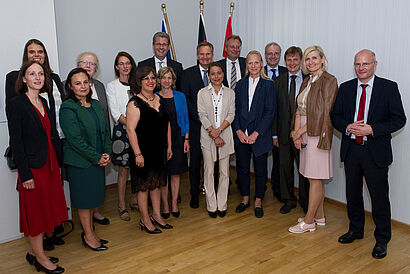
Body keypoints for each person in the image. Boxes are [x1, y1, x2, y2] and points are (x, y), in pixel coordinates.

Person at [331, 49, 406, 259]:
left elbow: (399, 120)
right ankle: (356, 229)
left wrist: (372, 129)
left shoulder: (388, 88)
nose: (361, 68)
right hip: (352, 149)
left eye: (365, 64)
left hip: (375, 152)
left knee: (379, 197)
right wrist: (348, 127)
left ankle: (382, 239)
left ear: (375, 64)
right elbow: (334, 116)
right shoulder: (345, 88)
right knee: (352, 194)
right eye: (357, 64)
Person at [5, 38, 65, 251]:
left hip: (49, 162)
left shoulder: (45, 101)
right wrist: (24, 174)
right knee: (36, 212)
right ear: (23, 78)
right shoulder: (16, 103)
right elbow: (17, 140)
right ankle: (38, 255)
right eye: (32, 74)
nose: (37, 77)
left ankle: (39, 250)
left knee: (48, 206)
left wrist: (57, 160)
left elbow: (52, 133)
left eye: (40, 74)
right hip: (32, 165)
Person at [60, 68, 112, 251]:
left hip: (98, 160)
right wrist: (97, 157)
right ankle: (88, 236)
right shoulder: (67, 108)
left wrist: (107, 153)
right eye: (77, 83)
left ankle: (90, 232)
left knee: (93, 200)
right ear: (70, 86)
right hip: (81, 163)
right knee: (84, 201)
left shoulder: (96, 104)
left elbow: (104, 131)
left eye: (85, 82)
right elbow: (75, 141)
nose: (82, 86)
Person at [288, 46, 338, 233]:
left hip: (318, 133)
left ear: (323, 59)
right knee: (312, 178)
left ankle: (309, 221)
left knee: (315, 179)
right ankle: (320, 216)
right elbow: (299, 109)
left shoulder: (329, 81)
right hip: (304, 131)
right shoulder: (307, 81)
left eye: (314, 58)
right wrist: (295, 132)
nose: (311, 62)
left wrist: (299, 131)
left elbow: (322, 113)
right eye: (307, 59)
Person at [126, 66, 173, 234]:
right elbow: (130, 130)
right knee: (143, 187)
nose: (151, 81)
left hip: (159, 150)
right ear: (139, 82)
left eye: (153, 78)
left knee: (157, 184)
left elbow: (166, 123)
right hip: (142, 153)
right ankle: (145, 219)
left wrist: (169, 146)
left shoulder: (159, 99)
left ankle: (157, 215)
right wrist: (138, 153)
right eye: (146, 78)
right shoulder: (134, 103)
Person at [232, 50, 276, 218]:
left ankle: (258, 200)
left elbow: (269, 112)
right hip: (242, 136)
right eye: (250, 63)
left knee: (260, 170)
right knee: (242, 169)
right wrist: (238, 131)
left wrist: (256, 133)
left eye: (256, 62)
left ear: (262, 64)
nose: (253, 66)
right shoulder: (240, 84)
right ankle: (245, 199)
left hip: (260, 136)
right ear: (246, 65)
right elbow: (234, 110)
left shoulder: (269, 84)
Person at [272, 46, 310, 214]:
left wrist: (301, 131)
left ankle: (306, 200)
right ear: (285, 61)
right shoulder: (278, 81)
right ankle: (288, 199)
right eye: (289, 60)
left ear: (300, 60)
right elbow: (274, 111)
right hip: (282, 133)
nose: (292, 63)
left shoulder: (310, 80)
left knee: (304, 169)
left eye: (295, 59)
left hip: (303, 133)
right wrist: (274, 134)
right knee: (284, 167)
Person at [76, 52, 111, 225]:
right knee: (85, 183)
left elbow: (105, 115)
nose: (89, 66)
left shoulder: (99, 86)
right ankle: (86, 219)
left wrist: (107, 144)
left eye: (93, 64)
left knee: (97, 180)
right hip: (82, 143)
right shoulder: (70, 86)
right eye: (85, 63)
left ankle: (96, 211)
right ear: (78, 64)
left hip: (100, 140)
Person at [197, 62, 235, 218]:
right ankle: (211, 205)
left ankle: (222, 204)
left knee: (224, 172)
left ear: (223, 74)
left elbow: (231, 115)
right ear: (209, 75)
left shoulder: (231, 93)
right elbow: (202, 115)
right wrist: (213, 133)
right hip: (207, 136)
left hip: (225, 135)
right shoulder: (202, 93)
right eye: (213, 73)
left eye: (219, 73)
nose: (216, 76)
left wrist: (219, 132)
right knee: (209, 171)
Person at [181, 41, 214, 209]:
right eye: (202, 54)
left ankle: (211, 192)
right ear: (197, 56)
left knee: (212, 162)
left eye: (208, 54)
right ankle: (194, 193)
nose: (205, 57)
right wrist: (200, 116)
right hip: (196, 126)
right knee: (195, 162)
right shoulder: (187, 74)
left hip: (215, 128)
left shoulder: (217, 73)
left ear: (212, 56)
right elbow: (186, 99)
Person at [106, 51, 137, 221]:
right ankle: (121, 205)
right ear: (117, 67)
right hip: (122, 130)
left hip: (138, 130)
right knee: (123, 170)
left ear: (131, 65)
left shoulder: (137, 84)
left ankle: (134, 200)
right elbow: (115, 112)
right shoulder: (112, 86)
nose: (125, 66)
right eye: (121, 63)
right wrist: (130, 124)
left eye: (128, 63)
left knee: (137, 168)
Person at [156, 67, 189, 218]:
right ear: (158, 80)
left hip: (178, 137)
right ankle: (165, 205)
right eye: (163, 78)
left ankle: (174, 203)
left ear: (173, 80)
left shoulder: (180, 96)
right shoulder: (154, 97)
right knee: (163, 175)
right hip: (160, 139)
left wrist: (186, 139)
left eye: (169, 78)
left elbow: (186, 119)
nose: (166, 81)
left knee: (175, 174)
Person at [264, 42, 288, 201]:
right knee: (260, 159)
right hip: (261, 126)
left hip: (280, 126)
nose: (273, 56)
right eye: (270, 53)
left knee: (280, 160)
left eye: (276, 53)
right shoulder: (257, 71)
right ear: (265, 55)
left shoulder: (287, 72)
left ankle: (278, 190)